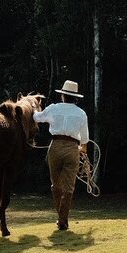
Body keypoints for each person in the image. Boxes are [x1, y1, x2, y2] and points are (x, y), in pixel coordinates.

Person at [33, 80, 90, 231]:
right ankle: (62, 220)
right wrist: (82, 153)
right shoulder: (81, 113)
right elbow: (84, 142)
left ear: (63, 95)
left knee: (55, 185)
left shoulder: (53, 108)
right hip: (73, 148)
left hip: (55, 147)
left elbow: (36, 118)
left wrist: (33, 106)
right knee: (68, 188)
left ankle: (61, 219)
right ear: (75, 97)